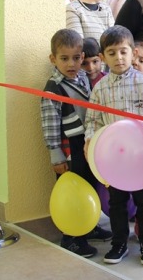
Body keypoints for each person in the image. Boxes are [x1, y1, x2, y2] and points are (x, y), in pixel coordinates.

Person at [83, 25, 143, 266]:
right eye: (112, 52)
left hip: (141, 159)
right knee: (116, 202)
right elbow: (93, 121)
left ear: (134, 52)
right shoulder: (100, 88)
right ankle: (119, 244)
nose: (118, 57)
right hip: (114, 161)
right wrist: (90, 143)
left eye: (123, 51)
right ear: (103, 57)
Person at [40, 29, 112, 258]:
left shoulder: (82, 78)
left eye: (76, 57)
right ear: (53, 59)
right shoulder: (53, 88)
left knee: (89, 185)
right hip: (69, 149)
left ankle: (88, 226)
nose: (71, 63)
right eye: (64, 58)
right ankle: (71, 237)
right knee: (73, 191)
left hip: (85, 143)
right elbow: (50, 125)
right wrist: (56, 155)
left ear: (82, 57)